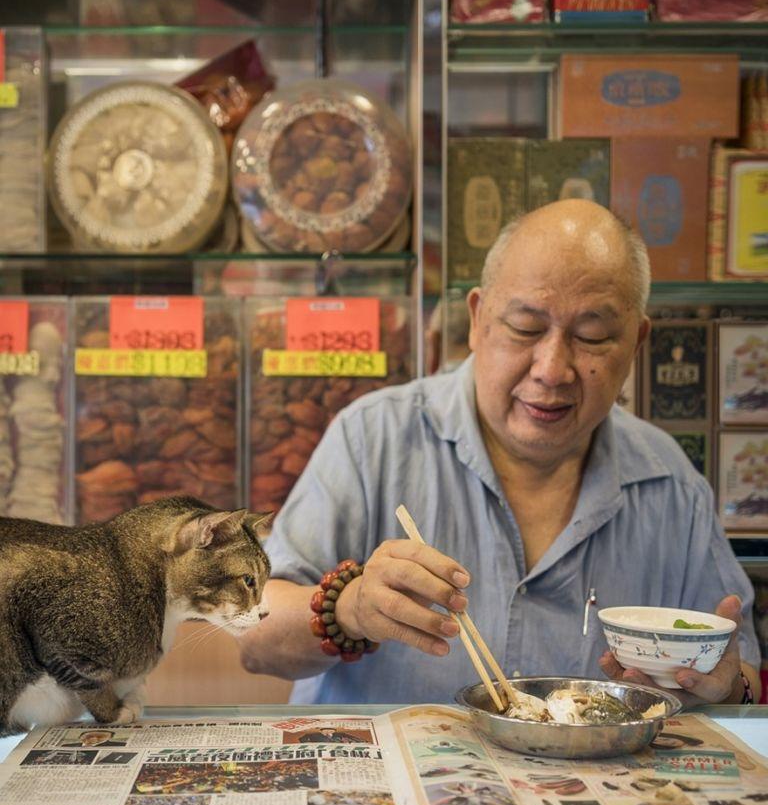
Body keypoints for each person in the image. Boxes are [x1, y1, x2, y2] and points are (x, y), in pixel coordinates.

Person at [240, 199, 761, 708]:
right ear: (478, 318)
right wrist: (349, 609)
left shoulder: (668, 482)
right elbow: (254, 636)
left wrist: (727, 688)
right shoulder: (373, 437)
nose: (552, 369)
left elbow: (743, 675)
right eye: (525, 328)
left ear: (636, 343)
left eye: (592, 336)